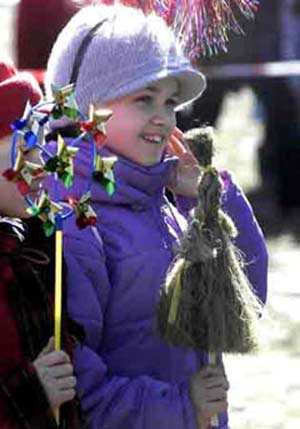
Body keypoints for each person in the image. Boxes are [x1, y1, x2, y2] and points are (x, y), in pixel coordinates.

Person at [45, 4, 268, 429]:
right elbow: (79, 395)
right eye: (143, 98)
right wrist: (182, 406)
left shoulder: (165, 201)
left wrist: (210, 200)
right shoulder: (74, 224)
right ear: (83, 108)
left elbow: (243, 306)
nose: (163, 117)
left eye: (169, 101)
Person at [0, 61, 82, 428]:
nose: (41, 167)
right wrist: (32, 392)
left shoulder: (24, 246)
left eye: (40, 147)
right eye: (23, 151)